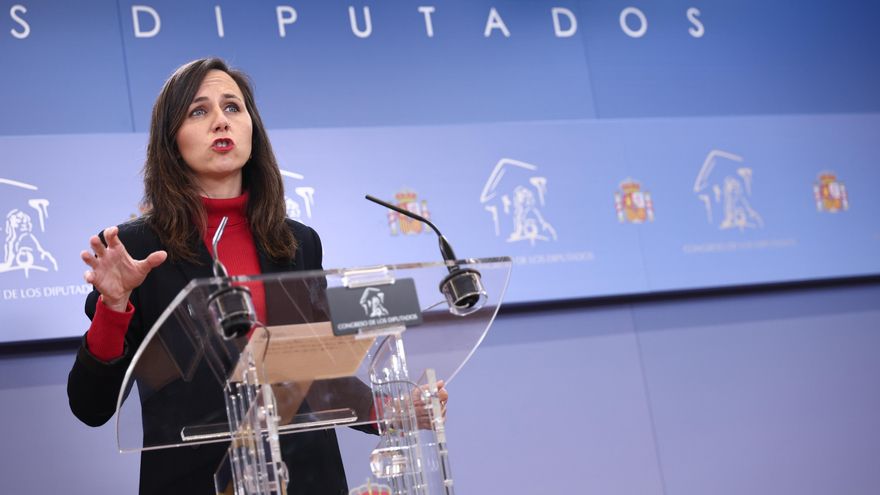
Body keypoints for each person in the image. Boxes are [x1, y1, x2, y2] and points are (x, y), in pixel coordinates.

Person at [66, 58, 448, 495]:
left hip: (306, 478)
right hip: (196, 481)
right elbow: (90, 406)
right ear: (171, 140)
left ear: (252, 127)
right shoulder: (136, 249)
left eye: (233, 107)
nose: (220, 122)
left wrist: (394, 410)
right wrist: (114, 307)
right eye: (199, 111)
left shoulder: (296, 243)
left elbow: (314, 376)